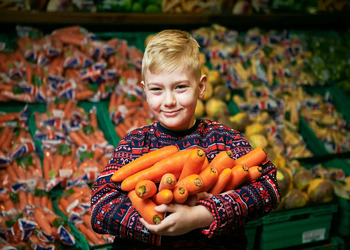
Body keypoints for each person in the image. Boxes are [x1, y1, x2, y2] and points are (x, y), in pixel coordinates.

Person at [91, 29, 280, 249]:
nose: (169, 100)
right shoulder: (134, 143)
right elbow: (100, 208)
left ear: (201, 87)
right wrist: (159, 222)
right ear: (145, 91)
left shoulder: (223, 139)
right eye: (157, 90)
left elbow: (270, 188)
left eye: (180, 87)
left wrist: (202, 215)